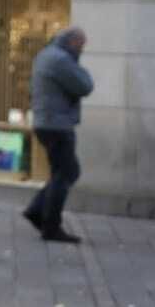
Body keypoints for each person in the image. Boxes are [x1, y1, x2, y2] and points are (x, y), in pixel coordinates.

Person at [24, 26, 93, 244]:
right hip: (57, 124)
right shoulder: (61, 59)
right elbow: (85, 85)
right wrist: (77, 63)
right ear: (72, 42)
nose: (82, 50)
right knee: (67, 173)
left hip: (47, 122)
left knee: (63, 172)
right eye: (81, 45)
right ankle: (50, 225)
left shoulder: (46, 54)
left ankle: (38, 212)